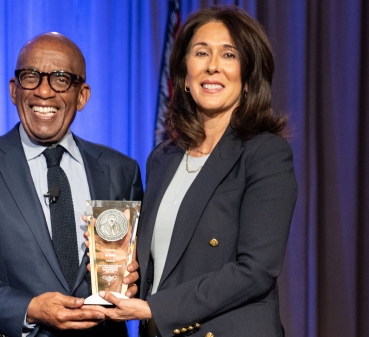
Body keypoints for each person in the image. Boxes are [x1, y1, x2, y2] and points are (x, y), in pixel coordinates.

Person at [93, 6, 297, 337]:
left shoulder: (265, 152)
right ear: (185, 77)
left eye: (228, 54)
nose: (212, 66)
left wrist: (154, 308)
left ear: (248, 78)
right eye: (201, 53)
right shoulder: (163, 158)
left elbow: (256, 270)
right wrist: (125, 276)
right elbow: (167, 262)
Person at [0, 32, 143, 337]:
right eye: (31, 77)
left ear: (82, 96)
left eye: (60, 79)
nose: (44, 91)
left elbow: (140, 267)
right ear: (14, 90)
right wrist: (28, 309)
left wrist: (133, 278)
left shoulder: (121, 170)